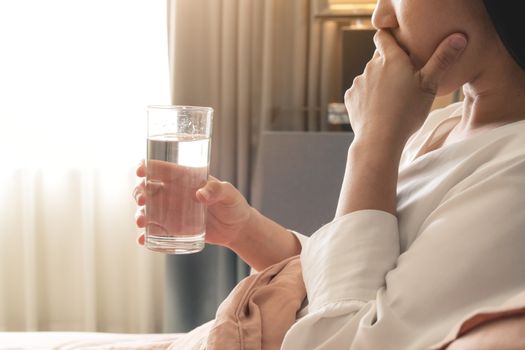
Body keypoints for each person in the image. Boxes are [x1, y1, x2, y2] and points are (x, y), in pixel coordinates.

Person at [133, 0, 525, 348]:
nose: (379, 16)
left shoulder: (515, 175)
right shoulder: (442, 124)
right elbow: (356, 283)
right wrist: (245, 231)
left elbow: (337, 338)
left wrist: (374, 143)